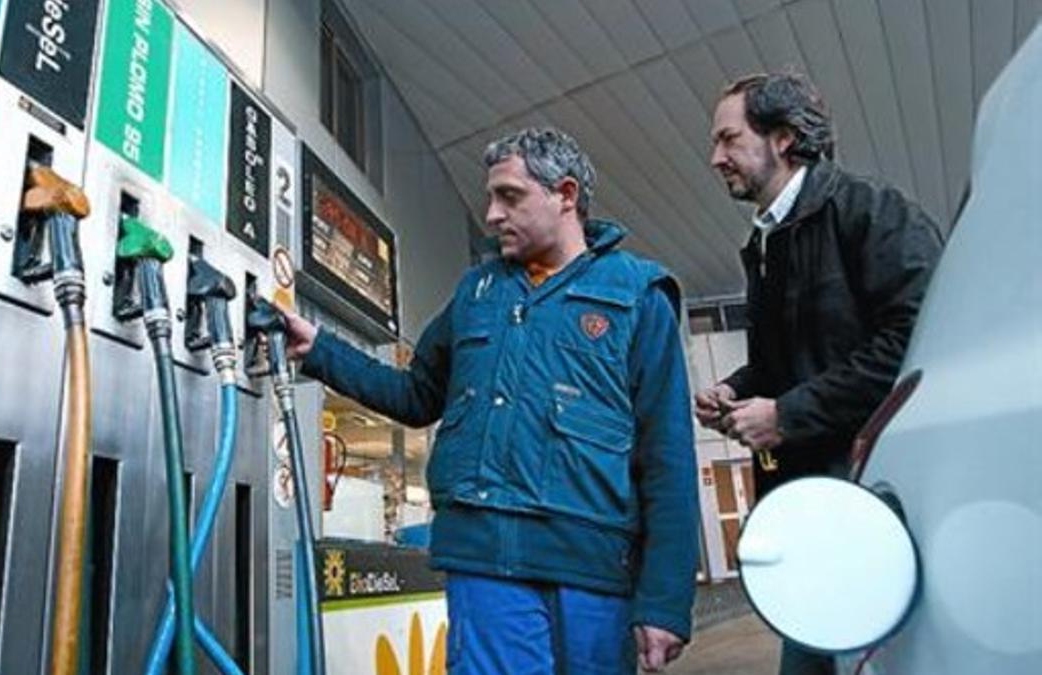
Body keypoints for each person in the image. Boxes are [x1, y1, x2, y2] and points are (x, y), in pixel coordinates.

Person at [280, 128, 699, 673]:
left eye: (510, 196)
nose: (493, 214)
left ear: (565, 194)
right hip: (486, 564)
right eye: (490, 197)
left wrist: (666, 601)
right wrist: (320, 350)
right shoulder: (477, 293)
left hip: (595, 574)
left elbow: (667, 455)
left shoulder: (638, 295)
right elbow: (415, 394)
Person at [698, 73, 944, 674]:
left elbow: (917, 341)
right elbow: (794, 360)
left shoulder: (874, 213)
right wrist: (740, 388)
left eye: (729, 139)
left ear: (782, 139)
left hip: (880, 507)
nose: (714, 158)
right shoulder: (765, 242)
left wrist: (787, 414)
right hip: (815, 512)